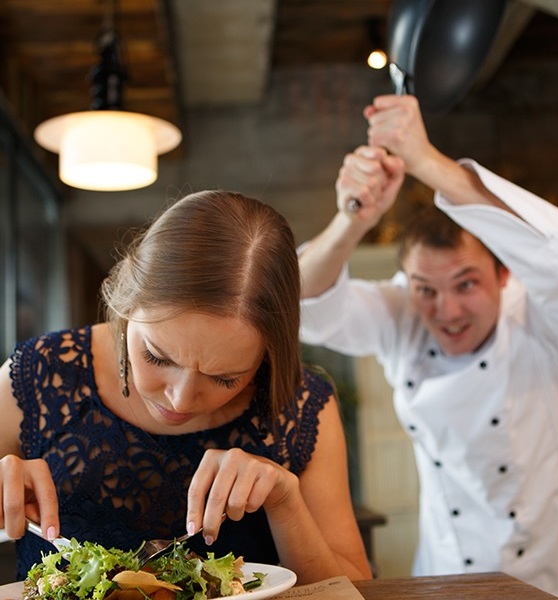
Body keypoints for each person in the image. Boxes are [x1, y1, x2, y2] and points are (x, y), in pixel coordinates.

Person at [299, 94, 558, 600]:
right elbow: (305, 306)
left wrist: (425, 162)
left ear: (505, 276)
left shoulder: (546, 323)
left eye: (466, 284)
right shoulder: (405, 319)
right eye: (426, 289)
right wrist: (354, 217)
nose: (447, 311)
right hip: (447, 575)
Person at [0, 190, 372, 585]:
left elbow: (351, 588)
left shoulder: (301, 407)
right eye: (158, 357)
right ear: (127, 302)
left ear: (267, 358)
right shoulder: (40, 374)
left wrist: (284, 500)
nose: (179, 399)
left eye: (225, 378)